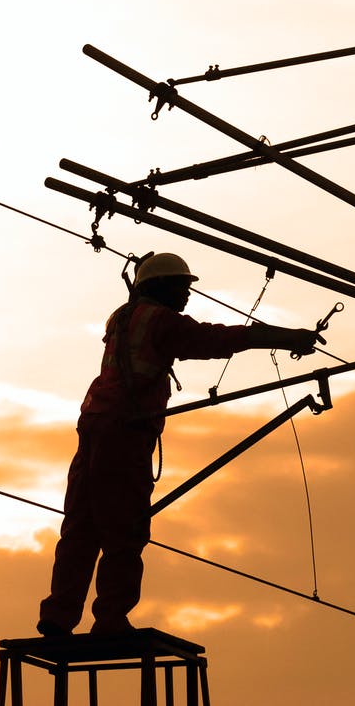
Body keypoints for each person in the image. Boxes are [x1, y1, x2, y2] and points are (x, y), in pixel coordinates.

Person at [37, 252, 323, 636]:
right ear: (160, 287)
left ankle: (58, 617)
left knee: (82, 527)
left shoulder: (122, 318)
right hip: (126, 432)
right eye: (182, 287)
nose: (187, 296)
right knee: (126, 528)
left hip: (94, 427)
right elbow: (216, 337)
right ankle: (110, 620)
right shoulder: (160, 322)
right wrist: (286, 337)